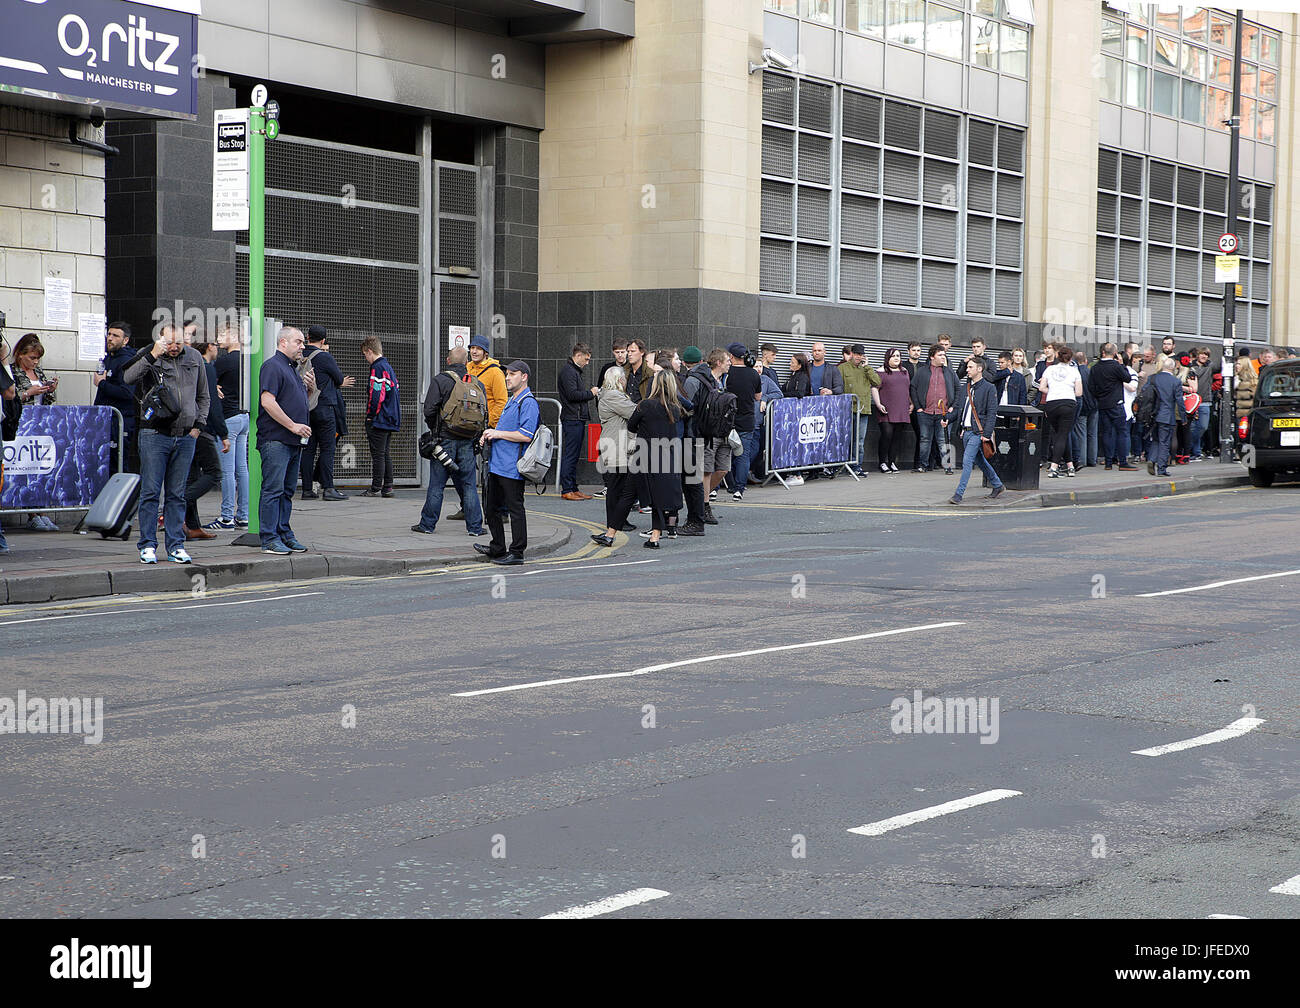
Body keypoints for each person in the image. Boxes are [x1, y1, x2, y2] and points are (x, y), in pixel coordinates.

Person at [123, 323, 210, 564]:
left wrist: (197, 426)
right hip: (154, 434)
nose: (173, 347)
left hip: (185, 435)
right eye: (169, 343)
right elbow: (128, 377)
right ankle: (148, 545)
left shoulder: (194, 358)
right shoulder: (148, 354)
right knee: (151, 492)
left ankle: (175, 545)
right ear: (160, 340)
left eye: (178, 343)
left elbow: (203, 395)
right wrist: (153, 354)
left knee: (177, 494)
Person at [412, 346, 485, 538]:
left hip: (444, 441)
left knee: (437, 485)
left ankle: (427, 525)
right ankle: (475, 528)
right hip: (468, 442)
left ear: (448, 361)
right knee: (469, 485)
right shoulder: (476, 383)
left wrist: (435, 430)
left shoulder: (441, 380)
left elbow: (429, 410)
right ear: (466, 363)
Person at [255, 327, 312, 555]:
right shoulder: (272, 366)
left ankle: (284, 534)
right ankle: (269, 538)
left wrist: (309, 390)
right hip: (277, 440)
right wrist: (292, 425)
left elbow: (296, 402)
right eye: (298, 342)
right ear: (282, 342)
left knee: (287, 491)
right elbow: (268, 402)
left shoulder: (292, 369)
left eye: (302, 342)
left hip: (293, 441)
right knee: (273, 490)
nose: (302, 346)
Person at [475, 361, 538, 566]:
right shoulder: (512, 400)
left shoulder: (528, 402)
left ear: (524, 376)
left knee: (515, 510)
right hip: (497, 465)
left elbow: (526, 435)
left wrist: (498, 433)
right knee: (491, 508)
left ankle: (517, 552)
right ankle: (497, 547)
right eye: (507, 374)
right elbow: (505, 430)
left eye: (512, 374)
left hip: (512, 467)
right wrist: (489, 435)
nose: (507, 378)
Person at [627, 369, 685, 548]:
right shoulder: (674, 408)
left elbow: (631, 425)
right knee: (660, 495)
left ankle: (612, 532)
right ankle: (658, 535)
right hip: (668, 455)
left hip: (645, 456)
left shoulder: (645, 405)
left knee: (627, 494)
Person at [10, 334, 61, 532]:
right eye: (32, 357)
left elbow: (48, 400)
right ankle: (31, 513)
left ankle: (41, 512)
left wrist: (49, 390)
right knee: (25, 469)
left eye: (37, 358)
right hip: (22, 425)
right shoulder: (13, 372)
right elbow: (10, 398)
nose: (35, 361)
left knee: (40, 469)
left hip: (41, 425)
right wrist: (27, 394)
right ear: (20, 355)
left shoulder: (38, 372)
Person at [299, 326, 354, 501]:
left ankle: (307, 489)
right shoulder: (324, 356)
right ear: (323, 341)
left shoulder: (300, 355)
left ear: (307, 337)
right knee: (327, 449)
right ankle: (328, 488)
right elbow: (338, 379)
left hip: (306, 409)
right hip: (324, 408)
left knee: (308, 449)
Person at [182, 341, 230, 539]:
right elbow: (211, 402)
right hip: (202, 428)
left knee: (192, 477)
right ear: (209, 346)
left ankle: (193, 526)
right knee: (214, 472)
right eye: (216, 344)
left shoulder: (188, 366)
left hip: (185, 427)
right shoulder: (206, 367)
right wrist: (223, 433)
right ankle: (177, 503)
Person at [591, 365, 639, 547]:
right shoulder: (613, 396)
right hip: (615, 448)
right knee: (616, 489)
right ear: (619, 380)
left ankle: (617, 523)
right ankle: (614, 523)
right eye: (624, 379)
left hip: (615, 446)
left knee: (618, 488)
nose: (626, 382)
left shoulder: (609, 395)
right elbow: (634, 411)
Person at [208, 323, 249, 530]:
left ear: (235, 336)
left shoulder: (224, 361)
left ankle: (226, 517)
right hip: (244, 418)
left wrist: (212, 385)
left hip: (228, 419)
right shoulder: (248, 360)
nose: (218, 338)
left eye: (223, 333)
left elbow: (205, 380)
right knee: (242, 469)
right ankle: (243, 516)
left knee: (227, 471)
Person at [947, 357, 1004, 505]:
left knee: (967, 461)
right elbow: (959, 409)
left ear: (979, 369)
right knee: (980, 461)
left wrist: (986, 434)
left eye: (970, 367)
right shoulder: (965, 387)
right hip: (965, 432)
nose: (967, 370)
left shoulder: (989, 388)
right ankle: (997, 485)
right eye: (967, 367)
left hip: (977, 433)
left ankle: (958, 495)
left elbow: (992, 413)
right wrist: (948, 418)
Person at [688, 347, 730, 525]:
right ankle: (704, 505)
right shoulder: (698, 380)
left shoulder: (722, 380)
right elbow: (688, 406)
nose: (730, 363)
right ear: (719, 362)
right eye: (727, 360)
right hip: (704, 432)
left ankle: (700, 499)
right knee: (706, 470)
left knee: (723, 469)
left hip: (722, 432)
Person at [93, 321, 138, 473]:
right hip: (105, 419)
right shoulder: (108, 359)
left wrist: (102, 383)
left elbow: (127, 393)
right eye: (109, 334)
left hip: (120, 420)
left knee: (117, 462)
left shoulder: (127, 361)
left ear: (125, 340)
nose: (110, 338)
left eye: (115, 336)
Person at [676, 346, 710, 534]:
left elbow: (687, 408)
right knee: (693, 479)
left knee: (691, 481)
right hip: (701, 434)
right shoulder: (708, 376)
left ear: (684, 363)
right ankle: (697, 519)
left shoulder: (692, 380)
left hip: (691, 434)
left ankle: (695, 522)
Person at [558, 342, 599, 501]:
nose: (587, 363)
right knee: (570, 455)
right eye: (586, 359)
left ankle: (573, 488)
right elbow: (572, 395)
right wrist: (591, 393)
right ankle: (567, 489)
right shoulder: (569, 372)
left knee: (573, 455)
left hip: (576, 417)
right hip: (572, 418)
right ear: (578, 355)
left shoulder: (573, 371)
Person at [361, 336, 400, 498]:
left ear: (370, 351)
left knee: (377, 454)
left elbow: (376, 395)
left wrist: (370, 415)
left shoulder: (377, 368)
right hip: (390, 417)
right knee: (385, 453)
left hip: (380, 418)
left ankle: (376, 486)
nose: (365, 358)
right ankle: (388, 486)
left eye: (365, 354)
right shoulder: (388, 367)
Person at [722, 343, 762, 501]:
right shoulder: (754, 374)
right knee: (743, 455)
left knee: (724, 453)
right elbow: (758, 397)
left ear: (731, 357)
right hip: (747, 419)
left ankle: (722, 486)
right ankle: (739, 489)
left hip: (727, 419)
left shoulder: (727, 373)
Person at [1088, 342, 1137, 471]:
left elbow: (1091, 387)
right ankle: (1122, 461)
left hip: (1103, 404)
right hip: (1116, 403)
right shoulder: (1116, 366)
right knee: (1122, 432)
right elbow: (1127, 378)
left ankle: (1108, 462)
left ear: (1102, 352)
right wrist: (1121, 364)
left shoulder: (1095, 368)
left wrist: (1099, 398)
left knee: (1107, 433)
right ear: (1115, 353)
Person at [910, 344, 956, 474]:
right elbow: (913, 387)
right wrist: (918, 407)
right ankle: (923, 465)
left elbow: (958, 389)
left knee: (943, 440)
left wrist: (952, 406)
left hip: (943, 412)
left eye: (944, 355)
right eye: (940, 355)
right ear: (932, 357)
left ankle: (948, 467)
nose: (943, 357)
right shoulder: (922, 371)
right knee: (925, 439)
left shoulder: (949, 372)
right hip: (925, 412)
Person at [1040, 342, 1082, 478]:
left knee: (1059, 435)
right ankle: (1054, 467)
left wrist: (1052, 391)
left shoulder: (1049, 369)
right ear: (1071, 359)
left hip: (1051, 403)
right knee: (1062, 435)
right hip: (1068, 403)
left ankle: (1070, 466)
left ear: (1057, 356)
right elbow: (1079, 393)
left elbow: (1041, 388)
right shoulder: (1074, 371)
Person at [840, 343, 881, 477]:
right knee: (845, 439)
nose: (859, 357)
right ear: (851, 354)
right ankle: (842, 466)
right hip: (846, 410)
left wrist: (867, 367)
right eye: (857, 354)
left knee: (860, 441)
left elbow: (877, 382)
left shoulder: (866, 369)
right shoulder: (843, 368)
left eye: (861, 354)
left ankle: (857, 466)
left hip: (863, 410)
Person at [1141, 358, 1184, 477]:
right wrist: (1183, 418)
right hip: (1167, 416)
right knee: (1165, 442)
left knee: (1156, 440)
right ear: (1173, 368)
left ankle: (1152, 459)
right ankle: (1161, 469)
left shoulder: (1153, 378)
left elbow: (1145, 392)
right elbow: (1180, 402)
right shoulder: (1175, 382)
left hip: (1153, 415)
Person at [874, 348, 912, 473]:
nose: (896, 358)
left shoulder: (904, 371)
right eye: (893, 356)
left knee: (897, 437)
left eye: (898, 356)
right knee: (887, 434)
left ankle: (892, 462)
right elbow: (874, 389)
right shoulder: (880, 371)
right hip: (886, 408)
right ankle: (882, 462)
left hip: (901, 408)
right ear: (887, 358)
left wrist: (911, 403)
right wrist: (878, 404)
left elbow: (907, 388)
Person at [466, 335, 507, 427]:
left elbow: (501, 402)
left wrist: (489, 422)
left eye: (479, 349)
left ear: (486, 353)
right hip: (468, 425)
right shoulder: (467, 368)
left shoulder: (495, 372)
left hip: (485, 426)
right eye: (472, 348)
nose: (474, 351)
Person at [1071, 350, 1099, 468]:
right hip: (1094, 406)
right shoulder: (1091, 372)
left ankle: (1082, 460)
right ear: (1086, 360)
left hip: (1082, 407)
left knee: (1081, 433)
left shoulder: (1075, 373)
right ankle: (1092, 459)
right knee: (1093, 434)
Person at [1188, 347, 1214, 460]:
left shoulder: (1210, 367)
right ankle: (1196, 451)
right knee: (1194, 427)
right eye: (1202, 354)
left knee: (1203, 426)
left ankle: (1191, 448)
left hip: (1205, 401)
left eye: (1206, 355)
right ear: (1198, 355)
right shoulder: (1191, 367)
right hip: (1193, 400)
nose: (1204, 356)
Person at [625, 339, 653, 404]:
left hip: (642, 410)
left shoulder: (649, 372)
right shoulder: (624, 371)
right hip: (625, 410)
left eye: (633, 351)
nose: (629, 354)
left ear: (642, 352)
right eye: (628, 351)